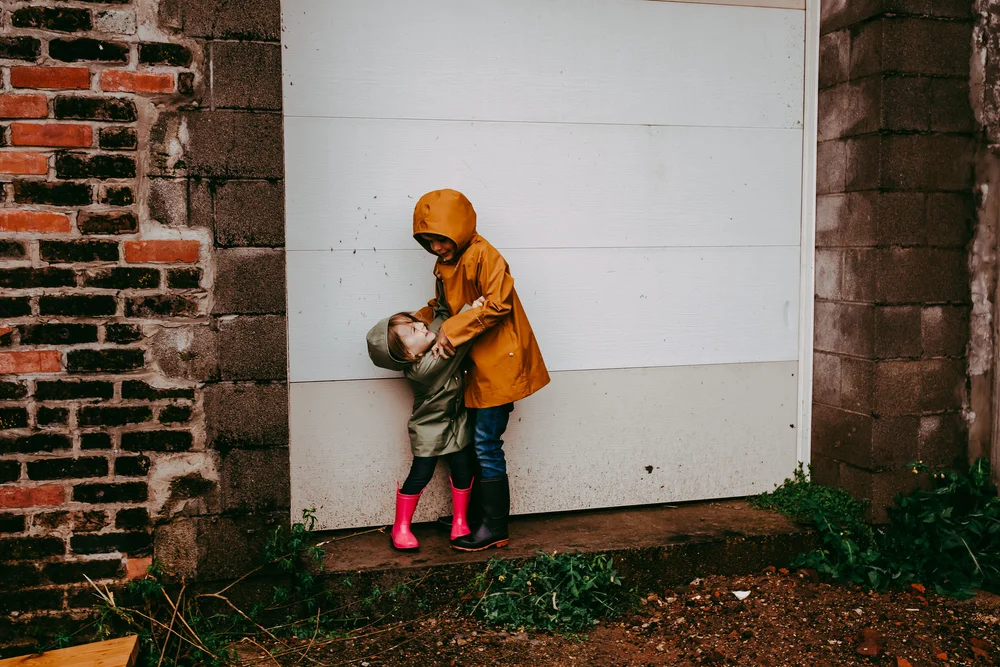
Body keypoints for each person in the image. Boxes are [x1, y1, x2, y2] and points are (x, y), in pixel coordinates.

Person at [412, 189, 550, 552]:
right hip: (473, 364)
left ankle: (495, 527)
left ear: (458, 229)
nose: (438, 247)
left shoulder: (485, 256)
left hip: (499, 363)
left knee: (487, 444)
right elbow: (442, 306)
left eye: (441, 239)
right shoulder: (445, 264)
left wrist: (452, 331)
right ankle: (474, 516)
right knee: (472, 441)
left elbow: (499, 303)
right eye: (429, 241)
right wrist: (413, 323)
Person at [365, 299, 484, 551]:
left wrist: (443, 298)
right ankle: (401, 527)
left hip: (456, 422)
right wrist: (471, 309)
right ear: (409, 355)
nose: (420, 325)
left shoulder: (431, 344)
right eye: (412, 331)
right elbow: (455, 339)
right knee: (421, 474)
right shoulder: (423, 368)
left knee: (463, 469)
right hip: (429, 429)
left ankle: (460, 521)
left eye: (415, 323)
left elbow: (442, 320)